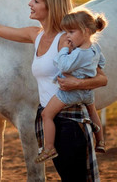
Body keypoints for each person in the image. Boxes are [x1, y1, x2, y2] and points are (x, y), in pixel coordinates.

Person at [0, 0, 107, 181]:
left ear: (50, 7)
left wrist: (77, 82)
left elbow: (101, 78)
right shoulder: (34, 35)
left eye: (36, 1)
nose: (29, 4)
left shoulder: (68, 40)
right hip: (50, 122)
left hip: (71, 122)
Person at [36, 8, 108, 163]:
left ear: (86, 31)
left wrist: (63, 50)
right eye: (66, 32)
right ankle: (101, 140)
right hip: (87, 92)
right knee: (92, 111)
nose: (67, 36)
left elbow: (63, 66)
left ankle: (48, 148)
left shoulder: (78, 53)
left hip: (70, 92)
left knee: (46, 114)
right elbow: (101, 62)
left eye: (71, 32)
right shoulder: (95, 48)